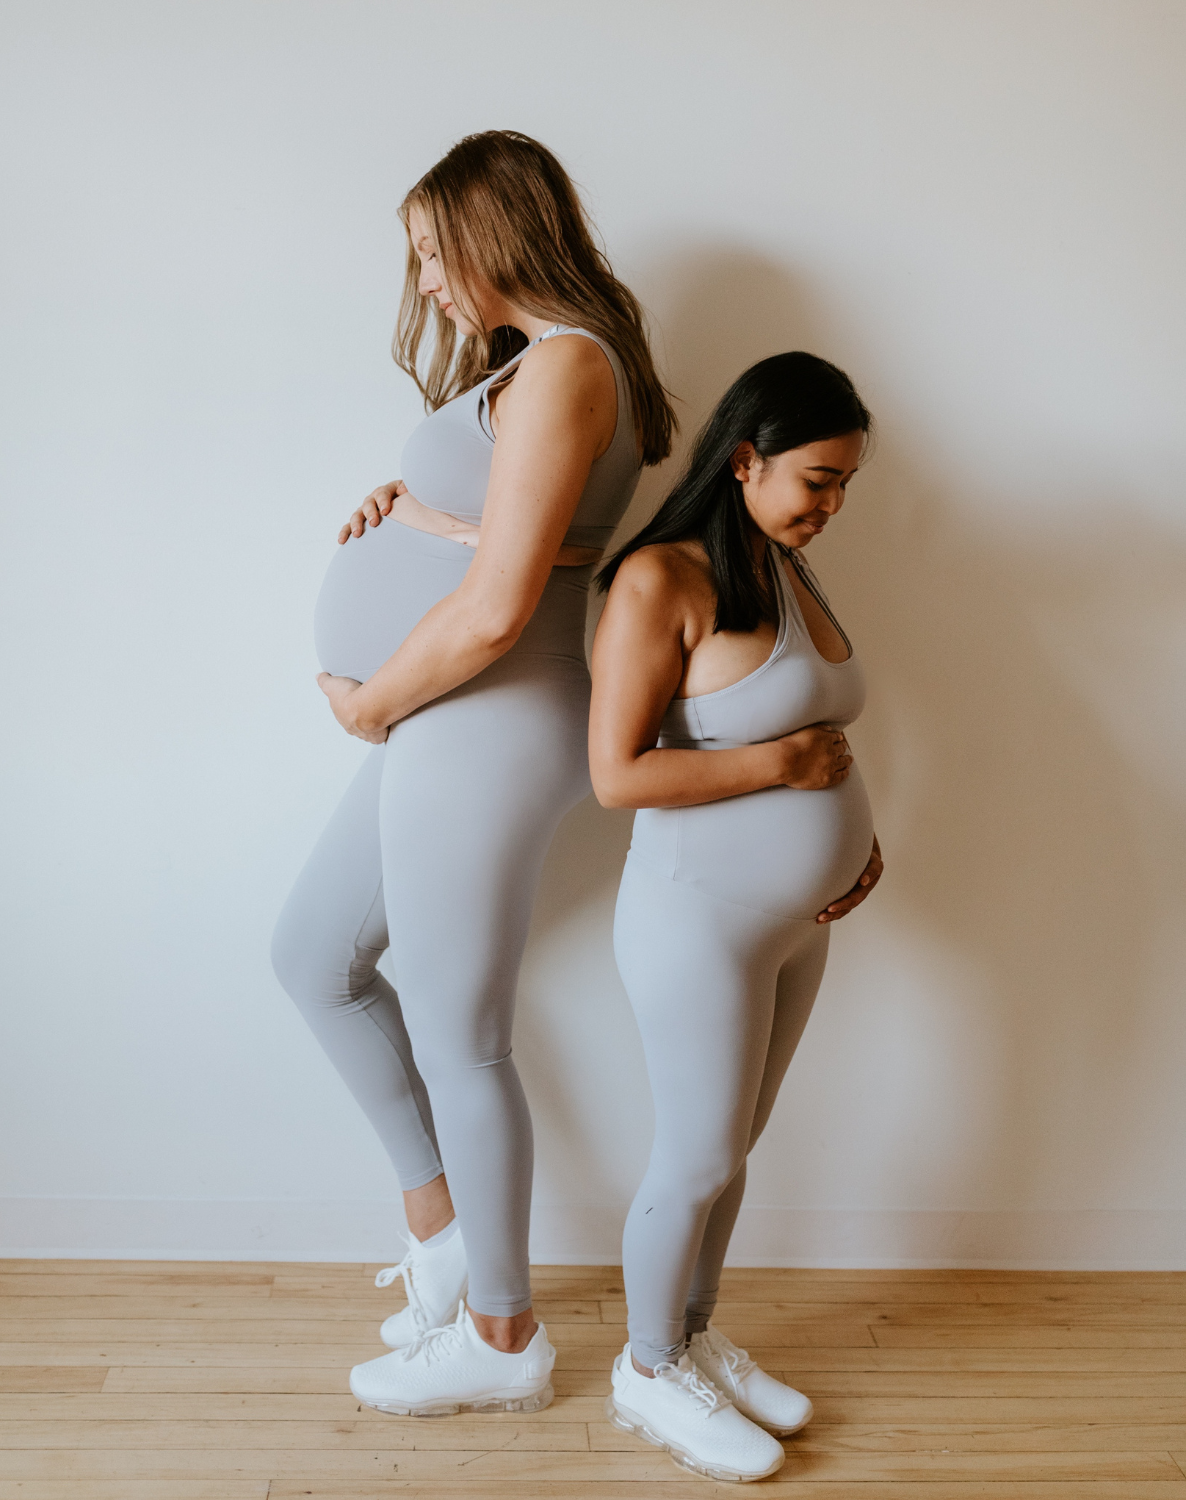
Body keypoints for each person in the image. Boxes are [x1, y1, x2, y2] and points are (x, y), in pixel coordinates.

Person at [270, 130, 675, 1417]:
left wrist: (369, 704)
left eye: (436, 254)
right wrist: (419, 504)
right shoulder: (536, 372)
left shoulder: (566, 367)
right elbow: (514, 539)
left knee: (462, 1034)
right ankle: (444, 1241)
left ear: (498, 234)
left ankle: (502, 1339)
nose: (430, 283)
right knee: (313, 957)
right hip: (455, 717)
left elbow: (501, 608)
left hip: (483, 714)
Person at [588, 352, 884, 1481]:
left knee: (735, 1149)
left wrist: (854, 846)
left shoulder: (781, 559)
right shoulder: (660, 581)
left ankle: (695, 1334)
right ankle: (648, 1367)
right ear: (747, 457)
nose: (832, 504)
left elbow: (823, 745)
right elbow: (617, 775)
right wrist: (784, 765)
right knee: (696, 1153)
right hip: (693, 919)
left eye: (847, 482)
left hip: (795, 922)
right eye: (818, 477)